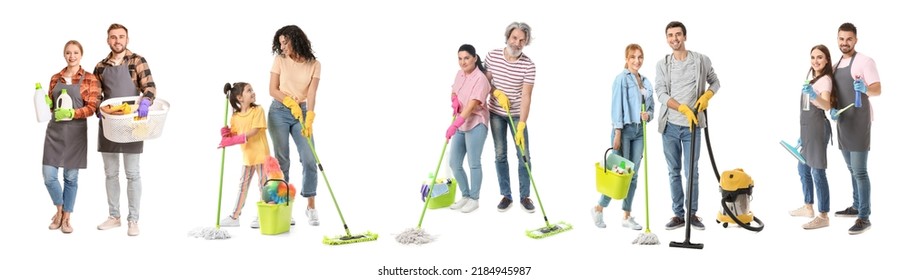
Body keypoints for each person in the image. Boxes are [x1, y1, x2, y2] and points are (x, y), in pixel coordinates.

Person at [654, 21, 720, 231]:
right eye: (670, 35)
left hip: (693, 127)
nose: (674, 39)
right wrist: (681, 108)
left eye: (678, 34)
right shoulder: (662, 64)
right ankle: (678, 215)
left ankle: (692, 214)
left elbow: (715, 82)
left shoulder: (700, 60)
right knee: (674, 171)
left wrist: (708, 95)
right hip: (670, 126)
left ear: (685, 36)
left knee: (692, 172)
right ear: (667, 39)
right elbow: (661, 94)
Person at [94, 23, 157, 236]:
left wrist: (146, 101)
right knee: (110, 173)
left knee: (132, 173)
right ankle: (114, 216)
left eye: (121, 37)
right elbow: (95, 95)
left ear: (127, 39)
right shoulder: (100, 67)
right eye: (113, 37)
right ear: (108, 40)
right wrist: (98, 109)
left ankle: (133, 220)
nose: (117, 41)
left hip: (132, 122)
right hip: (109, 122)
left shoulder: (137, 61)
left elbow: (149, 86)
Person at [590, 44, 654, 230]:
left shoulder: (646, 81)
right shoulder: (621, 79)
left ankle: (626, 215)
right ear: (626, 58)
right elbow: (616, 106)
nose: (637, 61)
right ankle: (599, 209)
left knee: (632, 175)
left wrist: (647, 116)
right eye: (633, 57)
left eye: (640, 57)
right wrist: (617, 132)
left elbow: (651, 108)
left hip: (639, 131)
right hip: (624, 131)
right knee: (618, 174)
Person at [42, 40, 100, 234]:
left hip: (75, 133)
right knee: (49, 176)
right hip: (55, 132)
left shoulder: (90, 78)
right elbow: (52, 106)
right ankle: (59, 210)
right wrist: (46, 103)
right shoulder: (54, 78)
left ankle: (66, 217)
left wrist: (72, 113)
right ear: (64, 55)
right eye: (68, 52)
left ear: (81, 55)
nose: (72, 56)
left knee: (70, 177)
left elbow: (92, 107)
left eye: (75, 52)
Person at [829, 22, 881, 235]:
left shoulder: (865, 61)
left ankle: (864, 217)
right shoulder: (836, 64)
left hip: (859, 122)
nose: (844, 43)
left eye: (849, 39)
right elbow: (834, 92)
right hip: (843, 122)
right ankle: (857, 205)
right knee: (851, 169)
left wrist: (865, 88)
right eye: (841, 39)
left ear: (856, 40)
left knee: (860, 171)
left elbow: (878, 89)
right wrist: (832, 108)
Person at [268, 25, 321, 226]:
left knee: (309, 159)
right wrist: (289, 101)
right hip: (279, 112)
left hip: (302, 113)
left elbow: (312, 93)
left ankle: (311, 207)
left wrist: (310, 117)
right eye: (280, 43)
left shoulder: (315, 64)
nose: (282, 47)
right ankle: (284, 208)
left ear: (296, 40)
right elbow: (272, 89)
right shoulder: (280, 60)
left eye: (285, 42)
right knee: (282, 162)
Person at [486, 22, 537, 213]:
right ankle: (506, 195)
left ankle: (525, 196)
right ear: (508, 37)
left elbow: (526, 96)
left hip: (516, 115)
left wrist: (522, 124)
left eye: (522, 40)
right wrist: (496, 92)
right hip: (496, 114)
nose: (517, 43)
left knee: (524, 155)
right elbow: (485, 83)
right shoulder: (492, 56)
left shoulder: (529, 66)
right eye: (515, 38)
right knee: (500, 154)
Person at [789, 45, 837, 230]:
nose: (815, 61)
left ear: (826, 60)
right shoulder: (813, 78)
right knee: (803, 167)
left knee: (817, 171)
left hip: (817, 128)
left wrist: (814, 95)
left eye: (820, 57)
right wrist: (802, 135)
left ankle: (823, 215)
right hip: (807, 130)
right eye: (813, 57)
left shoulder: (825, 80)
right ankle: (808, 206)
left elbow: (825, 105)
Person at [217, 82, 270, 227]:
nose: (253, 92)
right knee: (243, 186)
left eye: (252, 89)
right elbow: (234, 133)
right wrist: (227, 135)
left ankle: (263, 216)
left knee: (263, 185)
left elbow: (255, 131)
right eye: (249, 90)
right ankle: (235, 217)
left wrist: (235, 139)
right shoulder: (235, 117)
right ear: (240, 98)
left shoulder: (258, 110)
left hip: (261, 155)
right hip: (248, 156)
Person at [446, 44, 491, 214]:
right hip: (460, 122)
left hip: (476, 123)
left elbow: (471, 106)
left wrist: (454, 125)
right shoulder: (460, 74)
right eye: (460, 58)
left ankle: (474, 199)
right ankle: (465, 195)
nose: (463, 62)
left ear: (475, 58)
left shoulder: (481, 79)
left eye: (466, 58)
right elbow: (454, 92)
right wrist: (454, 101)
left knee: (473, 163)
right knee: (454, 163)